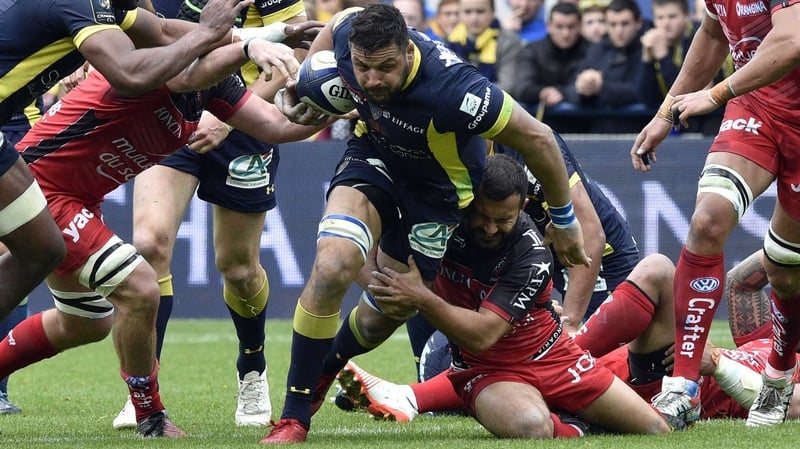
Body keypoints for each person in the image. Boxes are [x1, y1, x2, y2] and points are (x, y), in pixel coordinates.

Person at [261, 3, 591, 443]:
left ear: (408, 49)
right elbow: (340, 23)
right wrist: (302, 86)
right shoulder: (350, 37)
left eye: (386, 68)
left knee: (385, 311)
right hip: (373, 158)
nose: (373, 80)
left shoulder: (456, 89)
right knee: (333, 264)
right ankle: (295, 414)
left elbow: (538, 137)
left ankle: (327, 366)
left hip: (438, 196)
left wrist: (564, 220)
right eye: (362, 68)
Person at [1, 39, 329, 438]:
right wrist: (247, 45)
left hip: (80, 199)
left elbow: (276, 125)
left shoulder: (215, 87)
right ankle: (149, 415)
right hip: (40, 189)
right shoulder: (152, 68)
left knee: (85, 321)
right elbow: (186, 69)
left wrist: (335, 103)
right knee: (140, 289)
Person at [342, 154, 681, 439]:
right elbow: (377, 228)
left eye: (502, 219)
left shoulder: (531, 252)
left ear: (520, 208)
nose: (490, 228)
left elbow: (482, 333)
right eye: (483, 217)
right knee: (532, 427)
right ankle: (400, 394)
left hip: (554, 357)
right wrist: (379, 278)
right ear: (469, 204)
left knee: (655, 429)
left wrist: (420, 296)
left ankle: (573, 423)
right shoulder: (443, 224)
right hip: (488, 370)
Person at [110, 0, 323, 430]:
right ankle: (144, 393)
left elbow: (298, 50)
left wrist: (230, 116)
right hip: (168, 113)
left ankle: (252, 366)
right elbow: (137, 28)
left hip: (242, 122)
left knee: (238, 268)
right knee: (149, 244)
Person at [336, 250, 800, 424]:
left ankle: (409, 396)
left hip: (675, 394)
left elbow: (784, 406)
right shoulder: (782, 339)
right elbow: (744, 281)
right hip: (662, 370)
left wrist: (718, 365)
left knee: (542, 371)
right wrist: (787, 242)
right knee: (660, 270)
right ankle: (563, 341)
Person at [629, 0, 800, 428]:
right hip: (756, 107)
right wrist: (666, 113)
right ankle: (683, 387)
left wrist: (716, 93)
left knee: (784, 270)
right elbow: (712, 32)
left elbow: (792, 39)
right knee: (707, 222)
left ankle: (778, 380)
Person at [564, 0, 647, 131]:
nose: (619, 31)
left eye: (625, 24)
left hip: (637, 131)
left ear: (638, 23)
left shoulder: (647, 48)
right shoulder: (597, 49)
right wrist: (582, 88)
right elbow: (570, 88)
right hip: (598, 133)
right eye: (613, 24)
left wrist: (600, 87)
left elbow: (640, 92)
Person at [513, 2, 589, 130]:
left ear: (580, 26)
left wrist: (561, 93)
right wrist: (542, 92)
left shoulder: (591, 50)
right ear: (548, 26)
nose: (565, 33)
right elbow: (522, 88)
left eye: (571, 27)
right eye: (559, 27)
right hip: (541, 126)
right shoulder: (532, 50)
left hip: (585, 127)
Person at [445, 0, 524, 93]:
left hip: (494, 103)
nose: (474, 18)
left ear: (493, 12)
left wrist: (468, 93)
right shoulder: (450, 40)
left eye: (480, 11)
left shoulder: (508, 41)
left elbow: (508, 86)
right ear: (459, 13)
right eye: (468, 12)